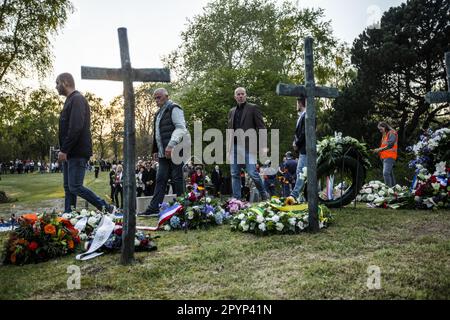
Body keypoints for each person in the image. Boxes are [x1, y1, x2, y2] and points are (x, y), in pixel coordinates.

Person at [56, 72, 115, 214]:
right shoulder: (69, 100)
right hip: (70, 152)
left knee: (75, 186)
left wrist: (64, 150)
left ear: (65, 82)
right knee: (69, 188)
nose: (56, 87)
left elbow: (76, 127)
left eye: (57, 83)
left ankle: (107, 208)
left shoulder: (77, 99)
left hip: (76, 151)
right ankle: (68, 217)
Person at [138, 88, 188, 216]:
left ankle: (183, 207)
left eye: (158, 97)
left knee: (177, 178)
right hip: (163, 153)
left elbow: (181, 128)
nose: (156, 100)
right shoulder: (158, 113)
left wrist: (171, 144)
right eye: (154, 98)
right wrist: (155, 149)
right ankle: (154, 208)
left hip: (175, 150)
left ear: (166, 96)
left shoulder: (174, 108)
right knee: (160, 179)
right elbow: (157, 134)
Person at [228, 87, 269, 201]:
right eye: (238, 94)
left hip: (248, 147)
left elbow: (261, 128)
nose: (240, 96)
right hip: (234, 147)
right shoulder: (231, 111)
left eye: (242, 94)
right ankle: (236, 200)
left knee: (252, 173)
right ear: (235, 96)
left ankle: (263, 193)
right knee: (234, 174)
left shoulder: (253, 108)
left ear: (245, 95)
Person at [288, 96, 307, 202]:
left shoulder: (306, 115)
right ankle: (300, 196)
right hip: (301, 149)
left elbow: (305, 132)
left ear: (300, 103)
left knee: (300, 172)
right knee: (301, 172)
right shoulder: (301, 116)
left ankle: (294, 195)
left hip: (305, 148)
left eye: (297, 102)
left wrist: (297, 143)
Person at [372, 122, 398, 187]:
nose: (380, 131)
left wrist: (379, 150)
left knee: (386, 173)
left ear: (385, 127)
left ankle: (389, 190)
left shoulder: (392, 132)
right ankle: (394, 191)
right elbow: (384, 146)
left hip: (390, 156)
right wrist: (378, 150)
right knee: (390, 175)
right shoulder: (385, 135)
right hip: (384, 157)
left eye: (381, 129)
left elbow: (390, 145)